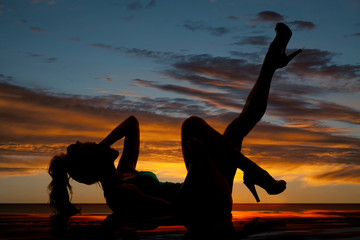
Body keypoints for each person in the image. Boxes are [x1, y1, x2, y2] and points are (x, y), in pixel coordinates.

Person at [48, 23, 301, 238]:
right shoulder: (118, 193)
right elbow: (176, 211)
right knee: (192, 126)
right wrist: (199, 163)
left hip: (207, 190)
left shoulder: (124, 172)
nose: (97, 142)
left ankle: (271, 61)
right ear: (93, 164)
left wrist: (104, 143)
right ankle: (257, 174)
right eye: (90, 145)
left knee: (236, 128)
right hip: (203, 210)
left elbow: (132, 122)